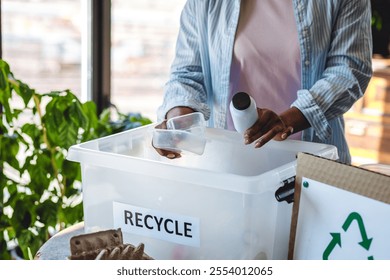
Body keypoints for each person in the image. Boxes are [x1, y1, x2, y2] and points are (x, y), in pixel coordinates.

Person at [156, 0, 373, 164]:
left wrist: (286, 121)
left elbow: (350, 70)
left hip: (313, 161)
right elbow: (187, 73)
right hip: (228, 162)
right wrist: (177, 119)